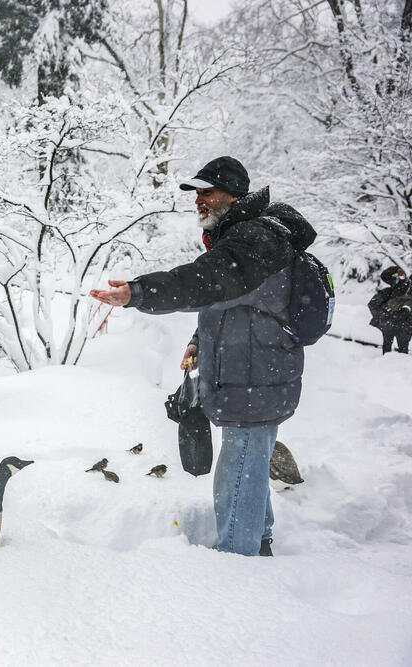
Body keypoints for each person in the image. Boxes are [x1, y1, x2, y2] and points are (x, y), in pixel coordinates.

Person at [90, 156, 316, 557]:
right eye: (197, 193)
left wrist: (137, 293)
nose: (199, 200)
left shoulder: (257, 240)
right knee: (248, 462)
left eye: (207, 192)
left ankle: (238, 560)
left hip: (256, 377)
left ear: (233, 195)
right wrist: (200, 339)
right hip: (256, 373)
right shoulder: (246, 236)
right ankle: (257, 540)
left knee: (238, 469)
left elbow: (204, 281)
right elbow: (229, 298)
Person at [368, 265, 412, 353]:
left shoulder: (402, 284)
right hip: (393, 321)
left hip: (399, 323)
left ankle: (391, 364)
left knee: (399, 350)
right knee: (392, 348)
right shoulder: (402, 283)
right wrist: (397, 269)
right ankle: (386, 364)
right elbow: (385, 275)